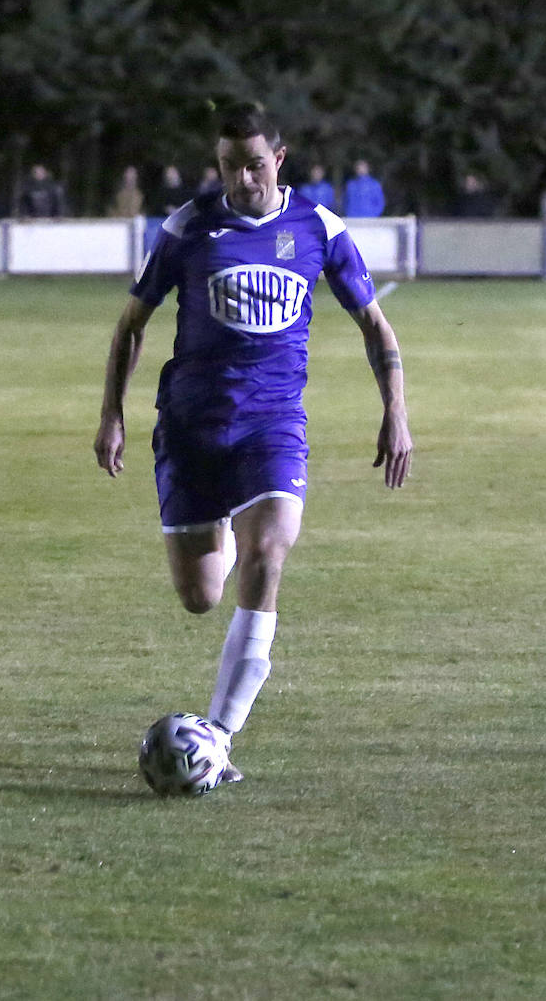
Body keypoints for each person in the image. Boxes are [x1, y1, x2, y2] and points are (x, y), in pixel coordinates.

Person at [93, 101, 412, 787]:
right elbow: (130, 325)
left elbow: (375, 325)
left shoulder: (319, 228)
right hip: (190, 428)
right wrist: (112, 414)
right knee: (201, 596)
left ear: (281, 159)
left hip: (273, 423)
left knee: (269, 554)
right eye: (230, 166)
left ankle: (220, 733)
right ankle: (227, 528)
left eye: (255, 164)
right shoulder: (188, 227)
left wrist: (397, 412)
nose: (243, 178)